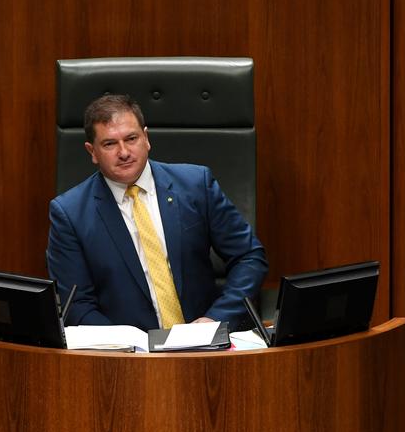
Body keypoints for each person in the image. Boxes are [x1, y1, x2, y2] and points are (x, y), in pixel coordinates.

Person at [47, 93, 268, 332]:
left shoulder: (196, 185)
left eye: (131, 138)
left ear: (146, 138)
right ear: (92, 151)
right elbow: (77, 305)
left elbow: (249, 257)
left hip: (205, 344)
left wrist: (214, 320)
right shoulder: (69, 214)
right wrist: (125, 345)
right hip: (126, 357)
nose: (124, 152)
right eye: (110, 144)